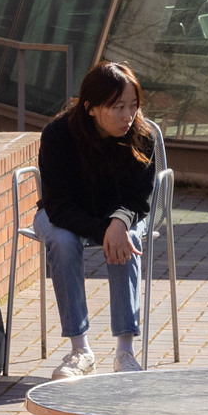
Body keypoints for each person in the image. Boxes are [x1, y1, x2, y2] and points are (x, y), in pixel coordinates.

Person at [30, 62, 160, 378]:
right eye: (117, 107)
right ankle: (80, 351)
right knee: (62, 241)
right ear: (90, 107)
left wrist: (118, 224)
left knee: (127, 242)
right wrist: (107, 230)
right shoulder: (58, 135)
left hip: (121, 217)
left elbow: (138, 199)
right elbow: (58, 206)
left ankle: (125, 352)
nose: (128, 116)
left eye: (133, 106)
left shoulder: (141, 135)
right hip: (64, 216)